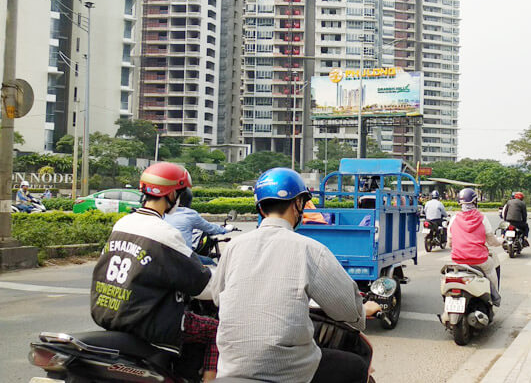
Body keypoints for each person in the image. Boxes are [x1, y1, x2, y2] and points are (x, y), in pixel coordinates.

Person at [209, 167, 381, 383]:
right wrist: (361, 312)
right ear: (298, 204)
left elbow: (218, 297)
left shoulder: (234, 247)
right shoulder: (310, 250)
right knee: (355, 366)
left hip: (231, 368)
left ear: (260, 207)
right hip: (288, 370)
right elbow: (346, 306)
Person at [90, 162, 219, 381]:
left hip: (111, 313)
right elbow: (204, 287)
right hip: (148, 321)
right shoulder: (164, 233)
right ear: (172, 195)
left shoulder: (123, 223)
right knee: (217, 329)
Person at [446, 188, 501, 307]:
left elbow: (450, 241)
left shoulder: (454, 218)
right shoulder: (482, 218)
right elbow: (491, 240)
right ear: (475, 202)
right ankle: (494, 296)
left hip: (457, 260)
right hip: (479, 260)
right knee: (491, 268)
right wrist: (500, 242)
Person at [164, 188, 233, 265]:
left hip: (164, 255)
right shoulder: (189, 214)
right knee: (210, 262)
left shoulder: (164, 212)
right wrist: (226, 229)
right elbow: (210, 228)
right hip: (184, 256)